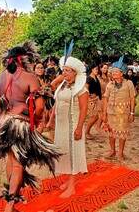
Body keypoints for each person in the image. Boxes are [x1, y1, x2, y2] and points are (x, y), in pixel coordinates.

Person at [0, 42, 61, 212]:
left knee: (11, 160)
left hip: (3, 123)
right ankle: (10, 204)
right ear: (24, 60)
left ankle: (12, 195)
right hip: (20, 125)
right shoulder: (30, 78)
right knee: (18, 164)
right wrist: (36, 120)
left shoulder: (1, 77)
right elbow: (40, 107)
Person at [53, 55, 89, 198]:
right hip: (61, 125)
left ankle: (72, 186)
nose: (64, 73)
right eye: (63, 70)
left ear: (75, 72)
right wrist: (51, 120)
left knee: (74, 153)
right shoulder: (63, 85)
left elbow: (84, 109)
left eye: (68, 71)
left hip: (73, 125)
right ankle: (69, 181)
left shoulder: (82, 89)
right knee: (65, 152)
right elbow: (53, 87)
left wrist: (79, 128)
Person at [102, 56, 135, 161]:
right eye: (113, 72)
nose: (114, 74)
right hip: (110, 112)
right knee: (111, 132)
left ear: (122, 73)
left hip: (123, 112)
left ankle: (120, 153)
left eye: (116, 72)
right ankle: (112, 150)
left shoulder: (129, 84)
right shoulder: (110, 85)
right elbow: (105, 99)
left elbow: (132, 99)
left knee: (122, 132)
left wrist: (132, 113)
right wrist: (104, 113)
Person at [85, 61, 102, 140]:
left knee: (96, 116)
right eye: (95, 69)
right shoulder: (89, 78)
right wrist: (89, 95)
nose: (97, 70)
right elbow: (85, 89)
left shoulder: (95, 77)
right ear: (91, 69)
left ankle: (87, 131)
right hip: (91, 100)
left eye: (97, 69)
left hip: (96, 99)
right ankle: (86, 132)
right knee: (94, 116)